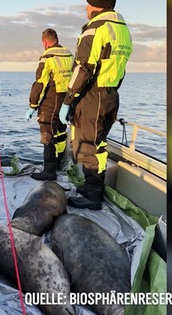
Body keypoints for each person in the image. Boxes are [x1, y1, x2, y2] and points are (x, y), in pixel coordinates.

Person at [59, 0, 132, 210]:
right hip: (110, 93)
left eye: (87, 4)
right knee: (98, 144)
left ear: (96, 6)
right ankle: (92, 188)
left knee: (89, 146)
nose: (85, 9)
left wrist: (68, 100)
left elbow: (83, 68)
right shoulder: (122, 29)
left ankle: (92, 196)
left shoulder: (96, 28)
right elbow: (121, 67)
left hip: (94, 95)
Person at [25, 28, 73, 180]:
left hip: (51, 101)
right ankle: (58, 164)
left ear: (45, 42)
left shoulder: (48, 57)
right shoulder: (70, 55)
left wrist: (32, 105)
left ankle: (49, 171)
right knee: (59, 133)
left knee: (47, 134)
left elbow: (40, 83)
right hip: (66, 100)